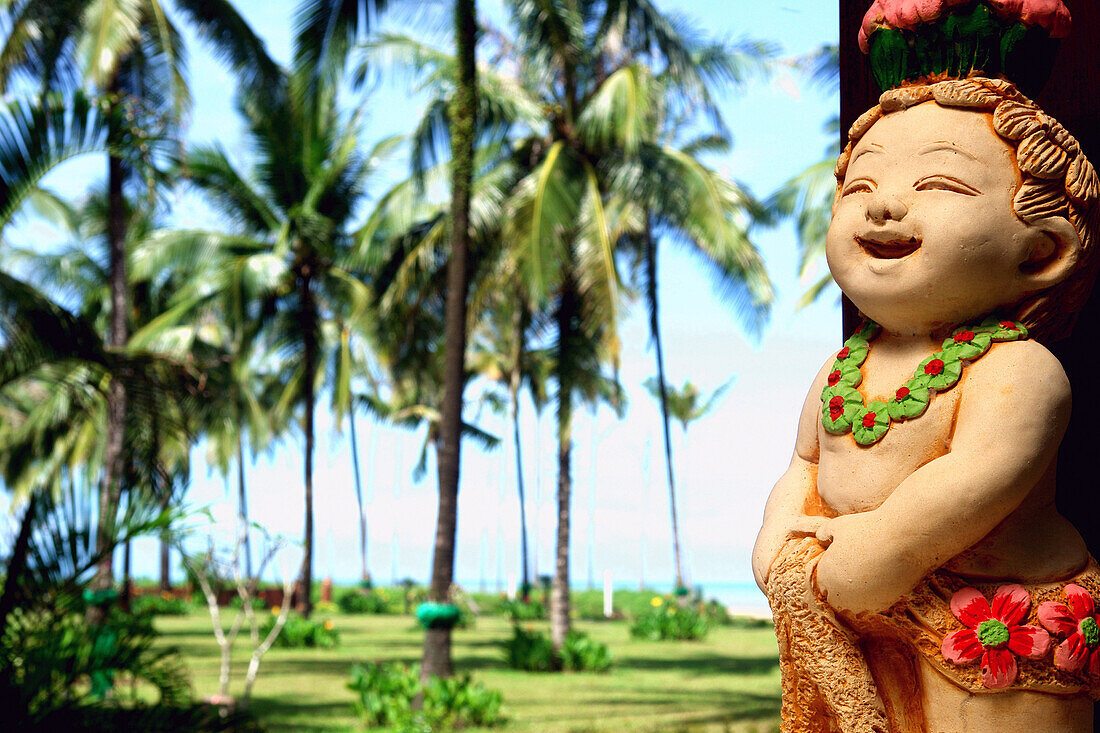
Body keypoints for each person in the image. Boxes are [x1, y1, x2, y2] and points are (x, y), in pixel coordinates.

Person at [753, 76, 1100, 732]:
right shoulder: (843, 366)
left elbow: (975, 477)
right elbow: (803, 463)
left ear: (1042, 251)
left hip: (989, 627)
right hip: (854, 610)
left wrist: (888, 546)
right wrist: (778, 534)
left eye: (938, 186)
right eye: (860, 188)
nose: (883, 206)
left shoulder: (1018, 369)